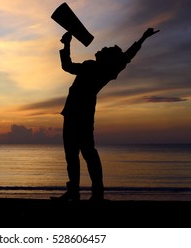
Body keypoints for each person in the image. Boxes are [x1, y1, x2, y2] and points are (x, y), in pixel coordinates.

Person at [56, 27, 160, 202]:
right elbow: (67, 66)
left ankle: (95, 194)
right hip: (72, 113)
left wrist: (142, 38)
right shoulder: (91, 66)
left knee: (87, 153)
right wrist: (66, 44)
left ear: (108, 58)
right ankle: (76, 192)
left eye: (106, 50)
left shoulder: (105, 70)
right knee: (73, 154)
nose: (102, 48)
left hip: (82, 116)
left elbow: (127, 56)